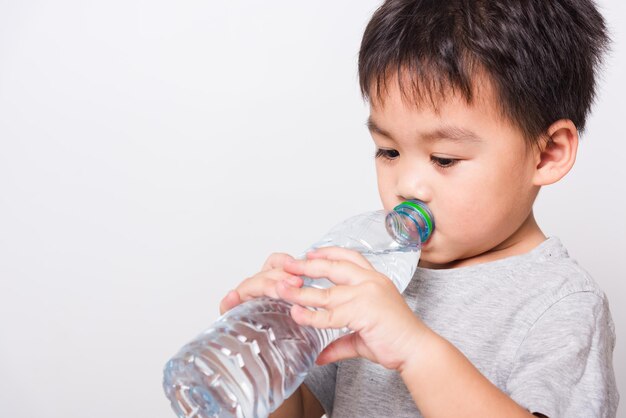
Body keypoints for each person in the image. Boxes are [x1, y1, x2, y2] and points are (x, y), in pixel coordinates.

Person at [219, 0, 619, 416]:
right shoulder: (370, 268)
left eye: (444, 159)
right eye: (388, 151)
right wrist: (267, 353)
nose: (406, 186)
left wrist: (413, 348)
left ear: (547, 154)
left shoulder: (560, 302)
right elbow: (300, 410)